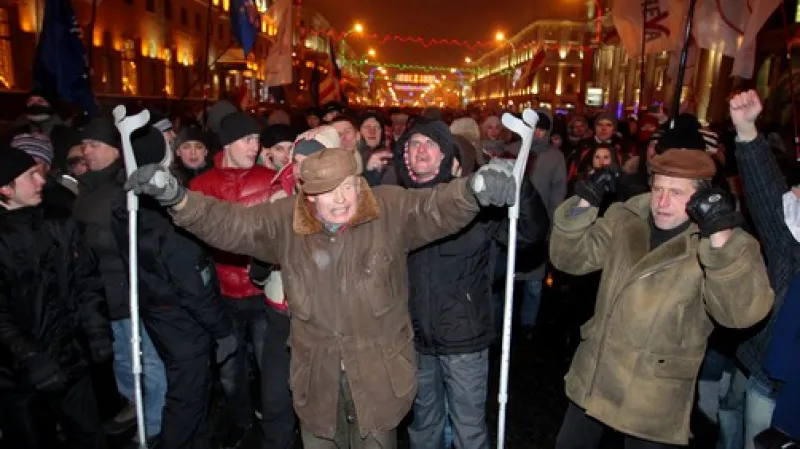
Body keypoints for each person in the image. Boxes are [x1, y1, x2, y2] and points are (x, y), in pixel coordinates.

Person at [124, 147, 518, 449]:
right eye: (328, 191)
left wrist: (474, 188)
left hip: (380, 379)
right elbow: (229, 224)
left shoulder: (389, 208)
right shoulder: (284, 222)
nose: (342, 198)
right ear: (307, 196)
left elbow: (436, 208)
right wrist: (177, 198)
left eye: (348, 185)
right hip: (318, 381)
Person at [549, 134, 774, 448]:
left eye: (677, 193)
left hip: (654, 395)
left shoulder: (722, 244)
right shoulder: (626, 217)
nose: (662, 202)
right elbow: (568, 258)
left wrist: (720, 240)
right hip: (596, 373)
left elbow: (740, 314)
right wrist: (585, 200)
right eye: (658, 189)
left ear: (701, 199)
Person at [0, 148, 111, 449]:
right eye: (30, 176)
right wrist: (30, 358)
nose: (41, 181)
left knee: (90, 436)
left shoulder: (58, 221)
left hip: (71, 358)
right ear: (5, 188)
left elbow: (87, 279)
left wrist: (97, 331)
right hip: (20, 375)